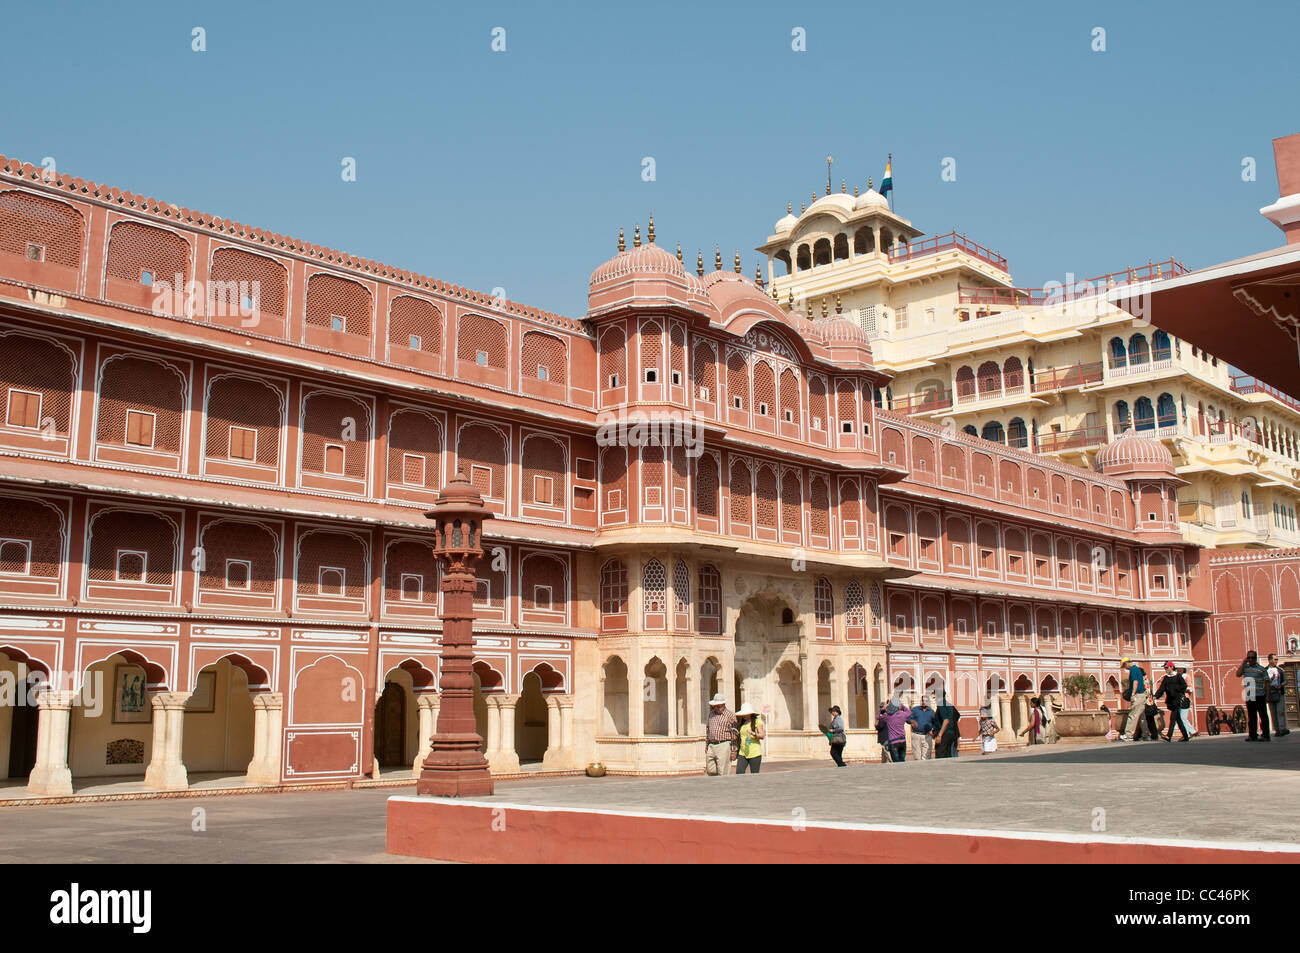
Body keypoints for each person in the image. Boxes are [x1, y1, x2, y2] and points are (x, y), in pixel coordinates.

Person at [1236, 651, 1272, 742]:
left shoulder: (1262, 669)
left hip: (1260, 695)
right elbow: (1238, 674)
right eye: (1249, 657)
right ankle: (1252, 735)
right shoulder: (1245, 668)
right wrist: (1243, 663)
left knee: (1263, 715)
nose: (1250, 659)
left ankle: (1266, 735)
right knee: (1252, 717)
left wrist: (1268, 695)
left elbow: (1267, 683)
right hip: (1250, 695)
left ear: (1256, 658)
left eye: (1252, 658)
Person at [1154, 661, 1190, 742]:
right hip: (1171, 701)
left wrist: (1177, 691)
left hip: (1178, 700)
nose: (1165, 669)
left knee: (1172, 718)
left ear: (1171, 667)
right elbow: (1161, 689)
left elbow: (1184, 686)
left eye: (1167, 668)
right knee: (1178, 719)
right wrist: (1155, 696)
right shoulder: (1166, 678)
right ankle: (1185, 736)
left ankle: (1168, 736)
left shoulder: (1178, 676)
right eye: (1165, 668)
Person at [704, 693, 738, 774]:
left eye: (718, 706)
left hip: (723, 744)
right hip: (712, 745)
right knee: (710, 769)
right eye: (715, 706)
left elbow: (734, 734)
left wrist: (734, 751)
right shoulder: (711, 714)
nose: (716, 708)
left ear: (723, 705)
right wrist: (707, 745)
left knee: (723, 771)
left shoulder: (730, 715)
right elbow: (708, 729)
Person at [1118, 656, 1148, 742]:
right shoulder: (1137, 669)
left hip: (1138, 695)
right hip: (1142, 694)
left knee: (1133, 714)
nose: (1125, 668)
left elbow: (1135, 681)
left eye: (1124, 666)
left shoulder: (1133, 670)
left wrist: (1133, 694)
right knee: (1142, 716)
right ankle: (1146, 735)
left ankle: (1128, 735)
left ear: (1126, 663)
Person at [735, 702, 765, 773]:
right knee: (739, 771)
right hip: (743, 752)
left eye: (746, 713)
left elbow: (762, 735)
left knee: (754, 774)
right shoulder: (742, 723)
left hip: (754, 752)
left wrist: (753, 733)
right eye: (743, 714)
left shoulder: (757, 721)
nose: (744, 715)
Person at [907, 695, 936, 761]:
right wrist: (911, 721)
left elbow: (935, 723)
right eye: (922, 700)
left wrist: (933, 730)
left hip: (927, 736)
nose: (924, 702)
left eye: (926, 701)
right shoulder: (915, 710)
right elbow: (907, 718)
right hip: (916, 735)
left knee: (927, 757)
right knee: (917, 757)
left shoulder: (931, 712)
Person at [1266, 654, 1289, 736]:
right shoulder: (1265, 670)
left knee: (1280, 711)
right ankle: (1277, 730)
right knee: (1273, 712)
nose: (1276, 661)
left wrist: (1281, 685)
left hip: (1279, 693)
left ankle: (1282, 728)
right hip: (1269, 693)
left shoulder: (1280, 670)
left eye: (1277, 659)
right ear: (1270, 660)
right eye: (1275, 659)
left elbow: (1286, 681)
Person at [1175, 668, 1198, 738]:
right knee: (1183, 718)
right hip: (1179, 699)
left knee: (1182, 718)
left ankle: (1187, 734)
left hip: (1184, 699)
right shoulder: (1178, 677)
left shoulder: (1186, 677)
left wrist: (1182, 689)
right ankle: (1192, 731)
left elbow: (1190, 688)